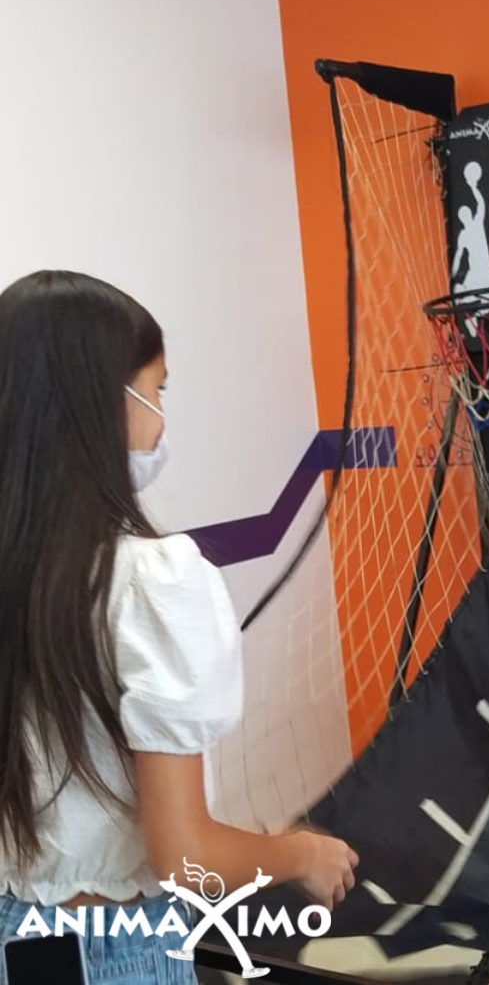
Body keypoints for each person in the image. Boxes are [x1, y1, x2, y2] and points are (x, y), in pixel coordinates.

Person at [0, 270, 358, 983]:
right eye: (156, 391)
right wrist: (301, 855)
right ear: (105, 404)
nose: (160, 419)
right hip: (111, 950)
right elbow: (186, 860)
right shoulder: (151, 581)